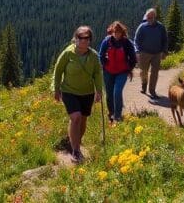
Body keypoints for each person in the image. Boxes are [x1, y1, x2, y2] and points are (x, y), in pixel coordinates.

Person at [52, 25, 104, 163]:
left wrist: (99, 91)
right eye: (80, 37)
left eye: (87, 38)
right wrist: (56, 89)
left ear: (90, 39)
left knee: (83, 119)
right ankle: (76, 150)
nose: (84, 40)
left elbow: (97, 73)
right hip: (69, 91)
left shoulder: (93, 56)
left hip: (87, 92)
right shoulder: (67, 54)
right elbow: (58, 71)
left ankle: (75, 141)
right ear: (75, 38)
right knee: (76, 118)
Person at [98, 21, 137, 123]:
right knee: (109, 93)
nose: (116, 34)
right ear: (111, 32)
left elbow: (133, 58)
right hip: (108, 71)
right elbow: (101, 55)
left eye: (118, 32)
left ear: (122, 32)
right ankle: (111, 112)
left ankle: (118, 116)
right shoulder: (106, 41)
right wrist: (104, 64)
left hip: (122, 72)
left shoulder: (126, 43)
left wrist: (129, 69)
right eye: (115, 32)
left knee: (117, 92)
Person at [133, 8, 168, 99]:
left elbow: (165, 40)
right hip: (144, 53)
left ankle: (152, 90)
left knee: (154, 72)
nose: (148, 19)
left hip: (157, 53)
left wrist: (164, 51)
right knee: (143, 71)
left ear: (154, 17)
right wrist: (137, 51)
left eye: (150, 17)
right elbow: (136, 40)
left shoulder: (161, 27)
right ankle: (144, 84)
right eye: (147, 17)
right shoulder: (142, 27)